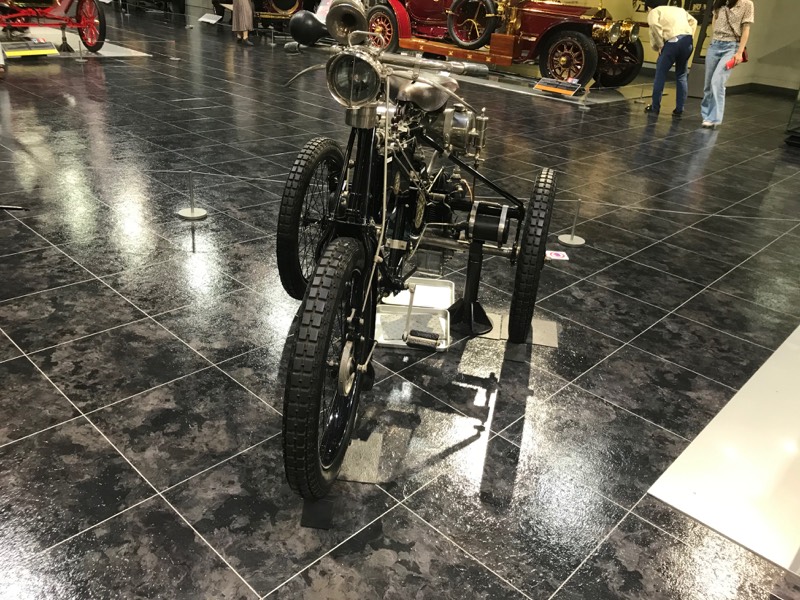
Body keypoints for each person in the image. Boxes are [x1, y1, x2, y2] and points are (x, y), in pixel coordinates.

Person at [701, 0, 754, 128]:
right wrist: (714, 36)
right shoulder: (720, 1)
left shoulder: (747, 4)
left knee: (717, 81)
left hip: (731, 46)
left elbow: (746, 28)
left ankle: (714, 118)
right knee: (708, 84)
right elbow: (715, 17)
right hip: (715, 45)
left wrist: (740, 52)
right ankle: (706, 116)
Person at [644, 0, 697, 117]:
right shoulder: (679, 10)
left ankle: (655, 107)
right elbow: (694, 21)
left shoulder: (654, 11)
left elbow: (653, 26)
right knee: (681, 75)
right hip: (687, 42)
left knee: (660, 74)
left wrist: (660, 44)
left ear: (648, 7)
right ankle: (679, 109)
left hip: (672, 42)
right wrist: (690, 37)